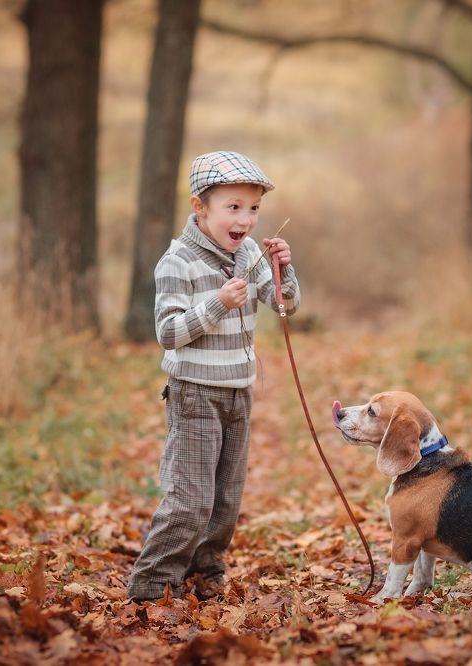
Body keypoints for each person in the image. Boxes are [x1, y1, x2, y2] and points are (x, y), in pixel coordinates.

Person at [126, 150, 300, 602]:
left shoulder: (249, 256)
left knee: (226, 500)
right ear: (199, 207)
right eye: (234, 207)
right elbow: (167, 332)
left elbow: (285, 305)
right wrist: (219, 302)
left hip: (237, 393)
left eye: (254, 208)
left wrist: (283, 268)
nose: (246, 219)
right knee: (191, 498)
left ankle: (205, 570)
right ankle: (152, 581)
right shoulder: (178, 261)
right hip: (195, 393)